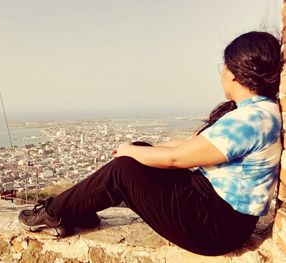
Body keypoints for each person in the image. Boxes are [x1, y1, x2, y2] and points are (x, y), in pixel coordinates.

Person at [18, 31, 282, 256]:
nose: (221, 74)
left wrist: (127, 151)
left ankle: (53, 213)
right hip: (217, 209)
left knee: (124, 169)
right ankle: (77, 210)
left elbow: (176, 159)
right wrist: (139, 150)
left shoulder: (250, 119)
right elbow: (191, 145)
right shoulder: (257, 112)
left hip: (215, 227)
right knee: (140, 151)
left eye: (224, 67)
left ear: (236, 74)